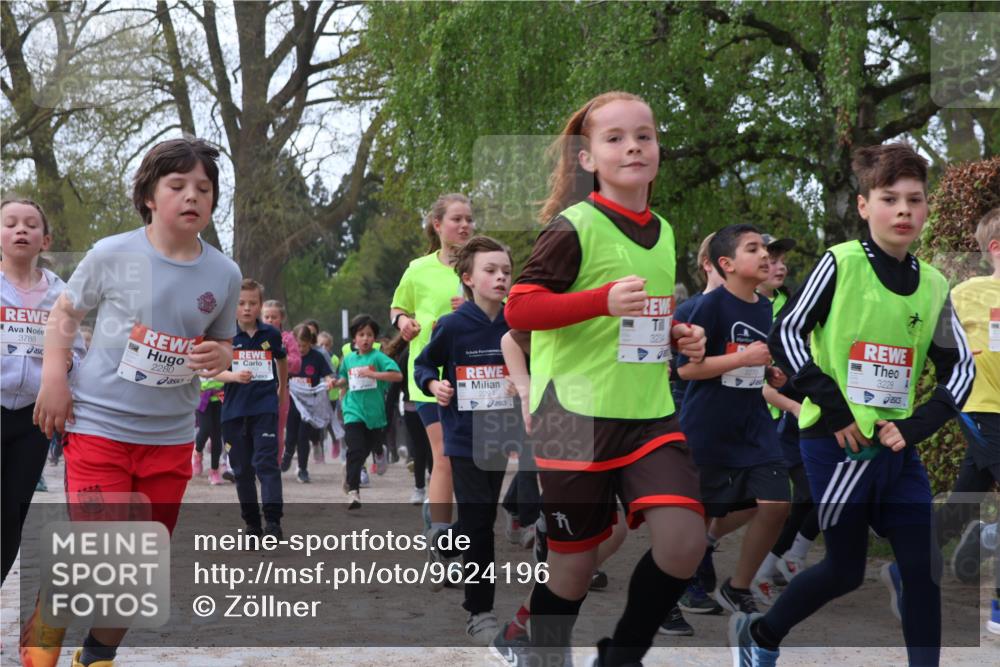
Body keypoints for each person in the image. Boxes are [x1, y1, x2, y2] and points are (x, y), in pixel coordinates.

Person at [732, 143, 976, 667]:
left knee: (923, 567)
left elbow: (963, 368)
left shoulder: (933, 284)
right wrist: (836, 408)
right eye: (890, 199)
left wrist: (917, 425)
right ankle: (761, 635)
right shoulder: (839, 263)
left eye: (915, 199)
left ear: (928, 208)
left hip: (896, 448)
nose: (904, 210)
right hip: (837, 444)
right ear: (865, 206)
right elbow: (788, 333)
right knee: (843, 570)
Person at [494, 90, 708, 667]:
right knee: (574, 566)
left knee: (685, 541)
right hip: (570, 415)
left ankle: (622, 654)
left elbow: (646, 317)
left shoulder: (663, 231)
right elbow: (520, 311)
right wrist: (601, 302)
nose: (633, 146)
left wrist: (676, 337)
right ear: (586, 158)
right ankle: (537, 650)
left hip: (648, 413)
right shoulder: (573, 226)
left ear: (659, 147)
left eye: (645, 134)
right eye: (614, 138)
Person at [25, 136, 240, 667]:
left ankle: (96, 655)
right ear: (149, 195)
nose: (193, 196)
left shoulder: (224, 274)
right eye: (178, 186)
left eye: (204, 189)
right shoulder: (112, 253)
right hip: (100, 428)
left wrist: (218, 354)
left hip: (169, 439)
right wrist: (54, 377)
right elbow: (64, 317)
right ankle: (47, 625)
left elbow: (223, 342)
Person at [885, 206, 1000, 634]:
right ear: (995, 249)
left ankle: (904, 570)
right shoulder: (965, 293)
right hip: (981, 407)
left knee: (961, 504)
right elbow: (930, 342)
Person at [677, 224, 791, 614]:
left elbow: (752, 358)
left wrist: (768, 372)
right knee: (698, 518)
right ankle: (673, 590)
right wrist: (744, 360)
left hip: (755, 425)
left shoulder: (764, 306)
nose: (765, 255)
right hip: (709, 425)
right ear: (726, 264)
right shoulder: (708, 306)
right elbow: (688, 371)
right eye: (753, 248)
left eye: (766, 248)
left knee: (776, 503)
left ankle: (738, 585)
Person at [412, 235, 521, 643]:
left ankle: (444, 540)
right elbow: (425, 365)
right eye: (490, 271)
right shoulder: (454, 326)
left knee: (483, 517)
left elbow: (533, 366)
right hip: (463, 436)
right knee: (481, 526)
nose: (500, 278)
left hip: (503, 433)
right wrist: (434, 385)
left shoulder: (517, 323)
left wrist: (518, 382)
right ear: (468, 279)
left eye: (506, 271)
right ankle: (479, 612)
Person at [1, 197, 86, 583]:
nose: (21, 229)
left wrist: (64, 364)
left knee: (13, 517)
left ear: (45, 240)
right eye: (11, 223)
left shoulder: (63, 295)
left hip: (37, 417)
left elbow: (79, 353)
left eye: (31, 224)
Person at [390, 194, 473, 536]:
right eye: (457, 219)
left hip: (475, 375)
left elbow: (505, 309)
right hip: (429, 377)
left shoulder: (482, 265)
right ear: (437, 225)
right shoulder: (418, 269)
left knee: (470, 461)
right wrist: (403, 324)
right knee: (445, 456)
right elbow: (398, 308)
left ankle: (469, 529)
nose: (465, 225)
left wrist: (477, 304)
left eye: (469, 219)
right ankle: (441, 536)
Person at [215, 278, 288, 540]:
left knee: (266, 463)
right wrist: (233, 377)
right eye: (241, 303)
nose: (247, 308)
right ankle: (252, 525)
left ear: (260, 305)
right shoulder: (224, 335)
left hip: (264, 408)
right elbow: (208, 370)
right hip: (233, 411)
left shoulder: (271, 335)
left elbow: (282, 359)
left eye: (252, 303)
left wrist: (282, 388)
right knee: (242, 470)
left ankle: (272, 522)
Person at [335, 314, 401, 508]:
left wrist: (373, 374)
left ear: (375, 338)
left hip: (374, 415)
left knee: (364, 450)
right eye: (361, 334)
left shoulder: (378, 357)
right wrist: (334, 383)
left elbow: (397, 375)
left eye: (369, 335)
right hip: (352, 411)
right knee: (355, 450)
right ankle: (354, 492)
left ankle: (351, 472)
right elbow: (343, 379)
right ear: (354, 339)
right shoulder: (348, 360)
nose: (365, 338)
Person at [281, 323, 334, 484]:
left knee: (303, 437)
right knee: (291, 435)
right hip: (292, 402)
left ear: (311, 343)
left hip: (309, 405)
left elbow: (327, 374)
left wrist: (329, 381)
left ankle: (303, 469)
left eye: (304, 346)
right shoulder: (287, 357)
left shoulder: (317, 357)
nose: (301, 349)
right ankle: (288, 453)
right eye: (297, 345)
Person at [262, 299, 300, 462]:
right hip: (258, 388)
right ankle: (257, 462)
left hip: (281, 388)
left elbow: (297, 363)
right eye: (267, 317)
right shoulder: (257, 336)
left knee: (277, 430)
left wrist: (280, 357)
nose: (270, 320)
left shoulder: (287, 339)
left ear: (281, 318)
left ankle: (275, 464)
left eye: (274, 317)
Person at [194, 374, 226, 484]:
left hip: (220, 396)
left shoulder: (223, 356)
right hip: (202, 395)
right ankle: (198, 453)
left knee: (217, 434)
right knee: (205, 429)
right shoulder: (196, 356)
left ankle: (214, 471)